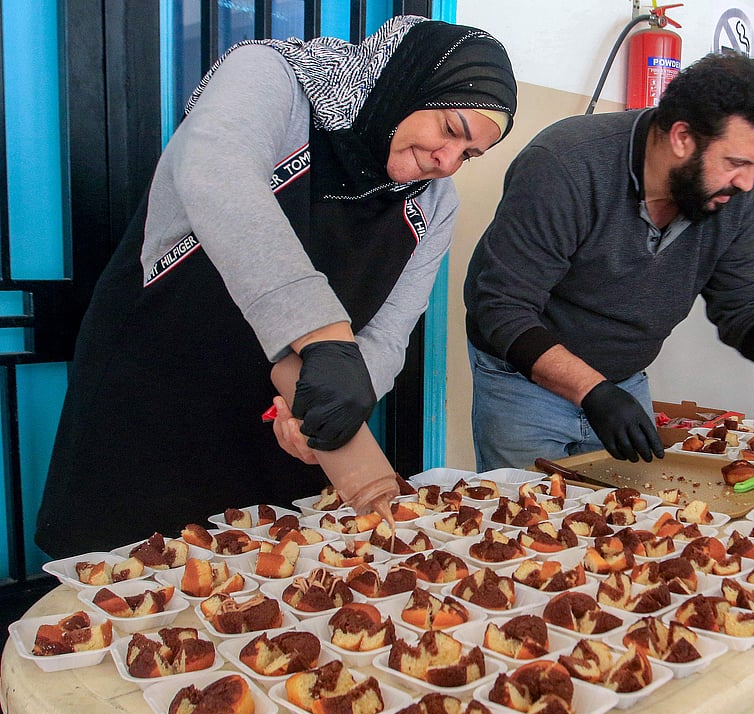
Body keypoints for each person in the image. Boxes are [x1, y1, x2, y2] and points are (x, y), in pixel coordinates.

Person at [35, 16, 518, 558]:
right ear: (406, 80)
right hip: (155, 394)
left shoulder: (434, 204)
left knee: (262, 603)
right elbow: (219, 177)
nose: (448, 162)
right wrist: (324, 337)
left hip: (274, 422)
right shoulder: (273, 79)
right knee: (125, 594)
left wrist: (340, 399)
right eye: (451, 130)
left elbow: (389, 331)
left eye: (469, 155)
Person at [463, 52, 754, 472]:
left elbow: (743, 310)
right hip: (525, 388)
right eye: (735, 162)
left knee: (632, 529)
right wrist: (594, 392)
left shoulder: (734, 198)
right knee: (529, 527)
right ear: (682, 137)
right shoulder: (566, 164)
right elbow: (501, 307)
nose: (747, 182)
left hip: (623, 386)